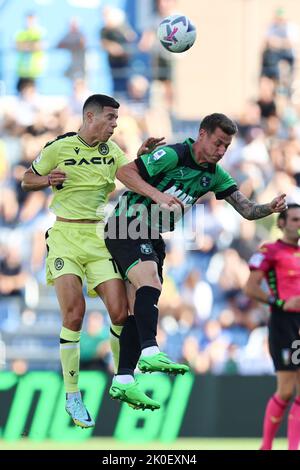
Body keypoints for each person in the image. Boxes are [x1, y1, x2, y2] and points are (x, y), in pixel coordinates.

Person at [105, 113, 287, 408]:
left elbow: (247, 209)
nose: (220, 151)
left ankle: (124, 378)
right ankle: (150, 351)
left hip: (152, 235)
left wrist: (269, 207)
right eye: (217, 143)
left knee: (137, 307)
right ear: (202, 134)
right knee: (149, 282)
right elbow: (125, 173)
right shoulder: (172, 154)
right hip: (127, 223)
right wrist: (157, 195)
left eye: (226, 147)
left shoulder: (215, 175)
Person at [21, 94, 165, 427]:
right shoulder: (59, 147)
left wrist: (141, 157)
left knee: (119, 313)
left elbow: (129, 174)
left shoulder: (111, 152)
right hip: (66, 239)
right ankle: (72, 394)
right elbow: (27, 178)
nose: (116, 125)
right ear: (90, 117)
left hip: (99, 240)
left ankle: (123, 380)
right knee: (74, 314)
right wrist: (46, 180)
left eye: (117, 119)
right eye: (111, 118)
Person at [244, 203, 300, 451]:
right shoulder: (270, 251)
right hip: (284, 324)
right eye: (295, 220)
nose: (299, 225)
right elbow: (251, 287)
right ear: (282, 223)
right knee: (286, 390)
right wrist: (280, 302)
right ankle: (266, 446)